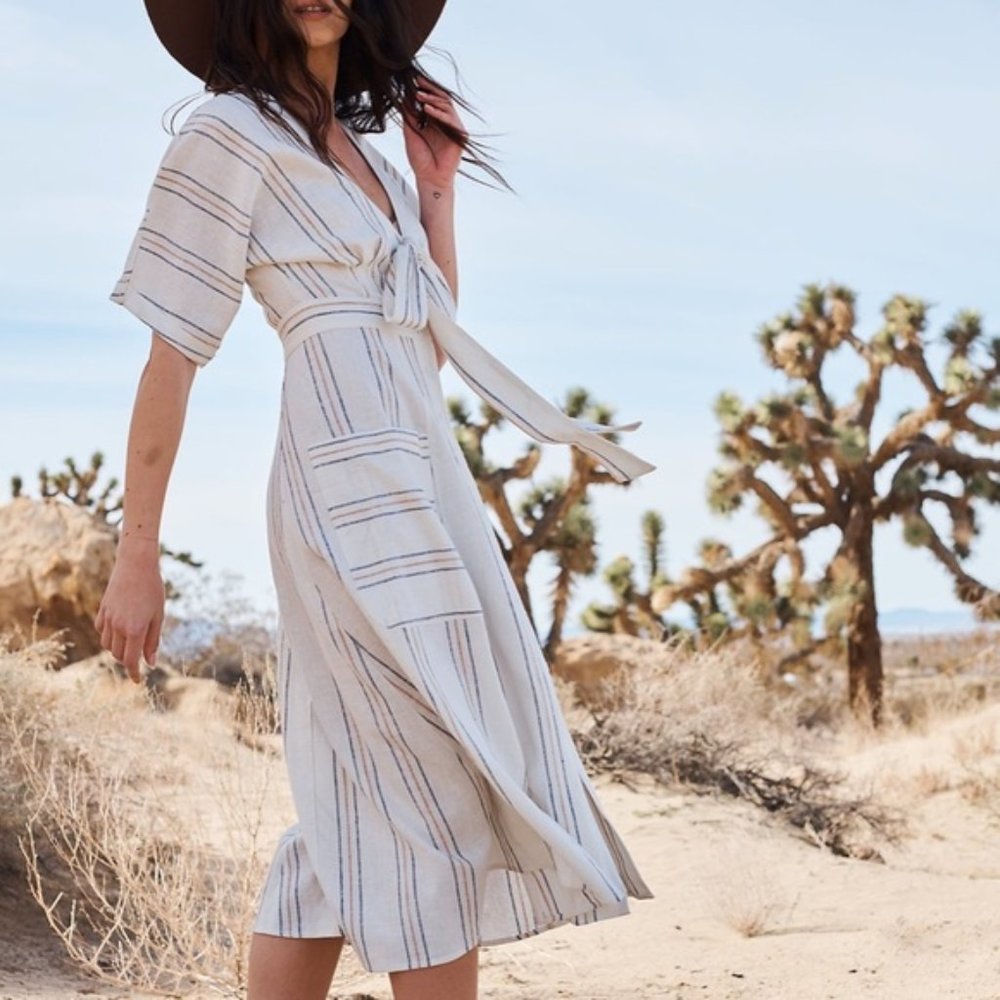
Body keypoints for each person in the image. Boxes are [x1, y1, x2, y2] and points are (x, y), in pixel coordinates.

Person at [95, 1, 656, 997]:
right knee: (426, 784)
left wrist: (434, 194)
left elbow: (420, 329)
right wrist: (137, 552)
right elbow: (170, 355)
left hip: (421, 481)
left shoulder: (374, 167)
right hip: (337, 485)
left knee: (359, 803)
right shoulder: (228, 135)